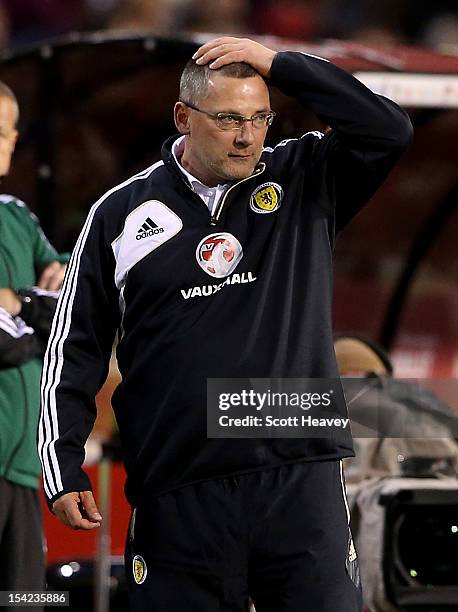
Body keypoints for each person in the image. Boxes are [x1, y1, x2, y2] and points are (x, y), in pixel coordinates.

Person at [39, 37, 413, 611]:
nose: (247, 135)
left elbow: (389, 130)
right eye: (229, 119)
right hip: (177, 487)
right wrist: (63, 463)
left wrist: (283, 65)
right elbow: (74, 347)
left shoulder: (304, 176)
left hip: (298, 474)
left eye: (260, 117)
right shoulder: (120, 212)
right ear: (183, 118)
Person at [0, 82, 68, 601]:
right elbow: (9, 345)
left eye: (2, 133)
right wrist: (40, 316)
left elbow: (70, 301)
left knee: (26, 598)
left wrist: (19, 304)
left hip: (24, 467)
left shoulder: (20, 218)